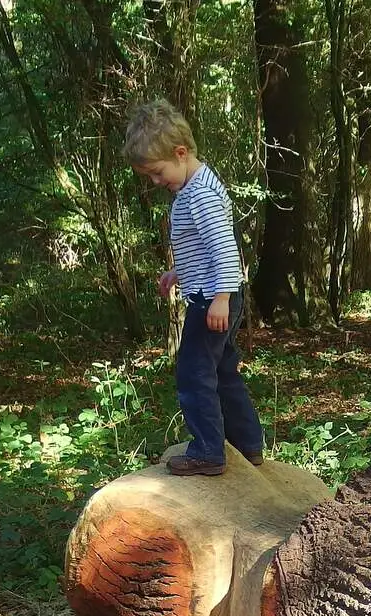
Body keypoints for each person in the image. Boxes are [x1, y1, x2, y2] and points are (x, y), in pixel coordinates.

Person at [125, 100, 265, 476]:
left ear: (181, 153)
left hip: (213, 299)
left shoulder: (198, 195)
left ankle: (208, 451)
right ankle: (248, 444)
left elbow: (223, 247)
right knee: (222, 371)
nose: (156, 182)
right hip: (216, 293)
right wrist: (177, 273)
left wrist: (220, 298)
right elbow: (202, 249)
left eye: (157, 173)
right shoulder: (198, 185)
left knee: (194, 373)